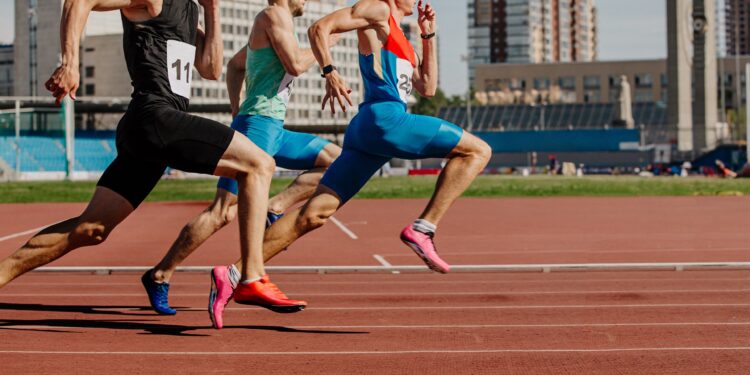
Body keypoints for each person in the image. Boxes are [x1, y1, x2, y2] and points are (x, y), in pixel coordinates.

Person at [0, 0, 301, 312]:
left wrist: (212, 10)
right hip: (154, 116)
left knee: (91, 229)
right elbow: (79, 1)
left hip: (151, 130)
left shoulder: (189, 10)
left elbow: (210, 69)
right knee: (259, 164)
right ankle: (251, 277)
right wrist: (70, 63)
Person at [207, 0, 492, 326]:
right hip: (385, 120)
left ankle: (233, 273)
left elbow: (426, 86)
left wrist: (429, 36)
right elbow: (320, 29)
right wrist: (330, 71)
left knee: (313, 215)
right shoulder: (378, 10)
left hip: (369, 134)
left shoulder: (401, 35)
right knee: (478, 151)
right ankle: (422, 228)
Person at [140, 0, 342, 321]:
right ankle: (159, 275)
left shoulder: (278, 23)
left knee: (335, 160)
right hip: (258, 127)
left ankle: (274, 207)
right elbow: (294, 65)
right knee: (222, 212)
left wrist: (237, 110)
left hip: (272, 127)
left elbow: (236, 65)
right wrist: (323, 47)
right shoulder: (273, 16)